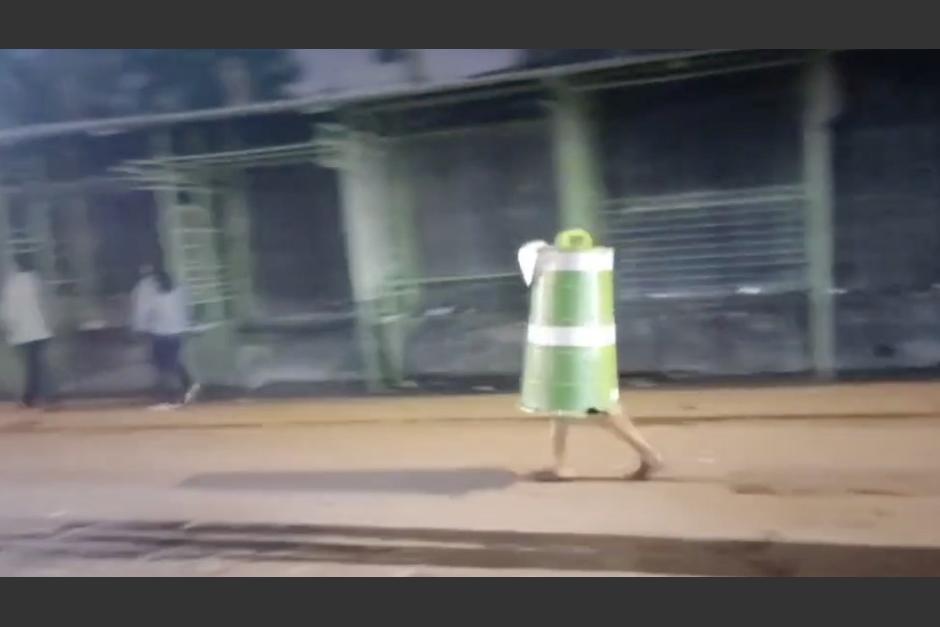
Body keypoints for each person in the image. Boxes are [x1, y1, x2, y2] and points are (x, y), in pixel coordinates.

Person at [1, 253, 56, 409]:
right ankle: (41, 395)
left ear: (16, 266)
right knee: (38, 364)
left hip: (22, 332)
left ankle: (32, 396)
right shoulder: (36, 280)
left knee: (31, 366)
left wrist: (7, 327)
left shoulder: (11, 284)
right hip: (40, 330)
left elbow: (7, 309)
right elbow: (46, 304)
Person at [142, 269, 199, 409]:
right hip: (163, 334)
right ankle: (182, 388)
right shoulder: (171, 295)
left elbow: (185, 312)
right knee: (166, 364)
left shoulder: (171, 296)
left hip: (170, 334)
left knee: (169, 365)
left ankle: (180, 389)